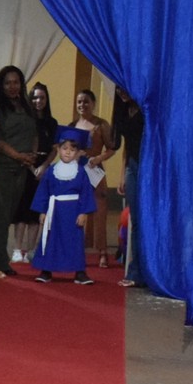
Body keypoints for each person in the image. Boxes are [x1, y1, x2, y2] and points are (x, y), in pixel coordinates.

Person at [0, 65, 37, 279]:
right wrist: (18, 155)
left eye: (16, 82)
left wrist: (31, 155)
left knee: (9, 215)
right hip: (1, 167)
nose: (12, 86)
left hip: (21, 169)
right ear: (0, 85)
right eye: (8, 82)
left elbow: (33, 132)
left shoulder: (26, 106)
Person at [30, 126, 98, 285]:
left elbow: (86, 193)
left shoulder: (81, 172)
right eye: (64, 148)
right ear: (58, 149)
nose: (68, 152)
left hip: (73, 212)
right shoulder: (52, 171)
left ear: (78, 152)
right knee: (51, 239)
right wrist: (42, 211)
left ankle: (79, 272)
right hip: (55, 212)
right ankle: (46, 270)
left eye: (72, 149)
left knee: (75, 241)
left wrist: (83, 213)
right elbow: (44, 192)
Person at [11, 81, 58, 264]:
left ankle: (30, 250)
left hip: (43, 168)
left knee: (36, 211)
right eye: (35, 97)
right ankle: (17, 249)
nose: (38, 101)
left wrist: (44, 166)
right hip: (25, 165)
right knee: (21, 210)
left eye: (42, 97)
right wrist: (30, 166)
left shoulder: (52, 123)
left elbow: (54, 149)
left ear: (47, 100)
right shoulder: (25, 119)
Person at [72, 89, 114, 267]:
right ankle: (74, 249)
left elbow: (112, 148)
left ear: (93, 104)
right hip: (77, 171)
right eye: (79, 102)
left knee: (99, 210)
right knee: (75, 209)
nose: (82, 105)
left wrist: (98, 158)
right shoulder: (73, 125)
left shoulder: (101, 124)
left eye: (86, 101)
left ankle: (102, 251)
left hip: (95, 170)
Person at [111, 86, 146, 287]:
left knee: (146, 220)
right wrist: (122, 175)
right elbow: (126, 144)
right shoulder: (123, 110)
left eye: (123, 88)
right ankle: (136, 271)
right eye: (117, 89)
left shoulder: (145, 107)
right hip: (132, 166)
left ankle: (146, 270)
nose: (120, 92)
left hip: (149, 167)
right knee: (135, 219)